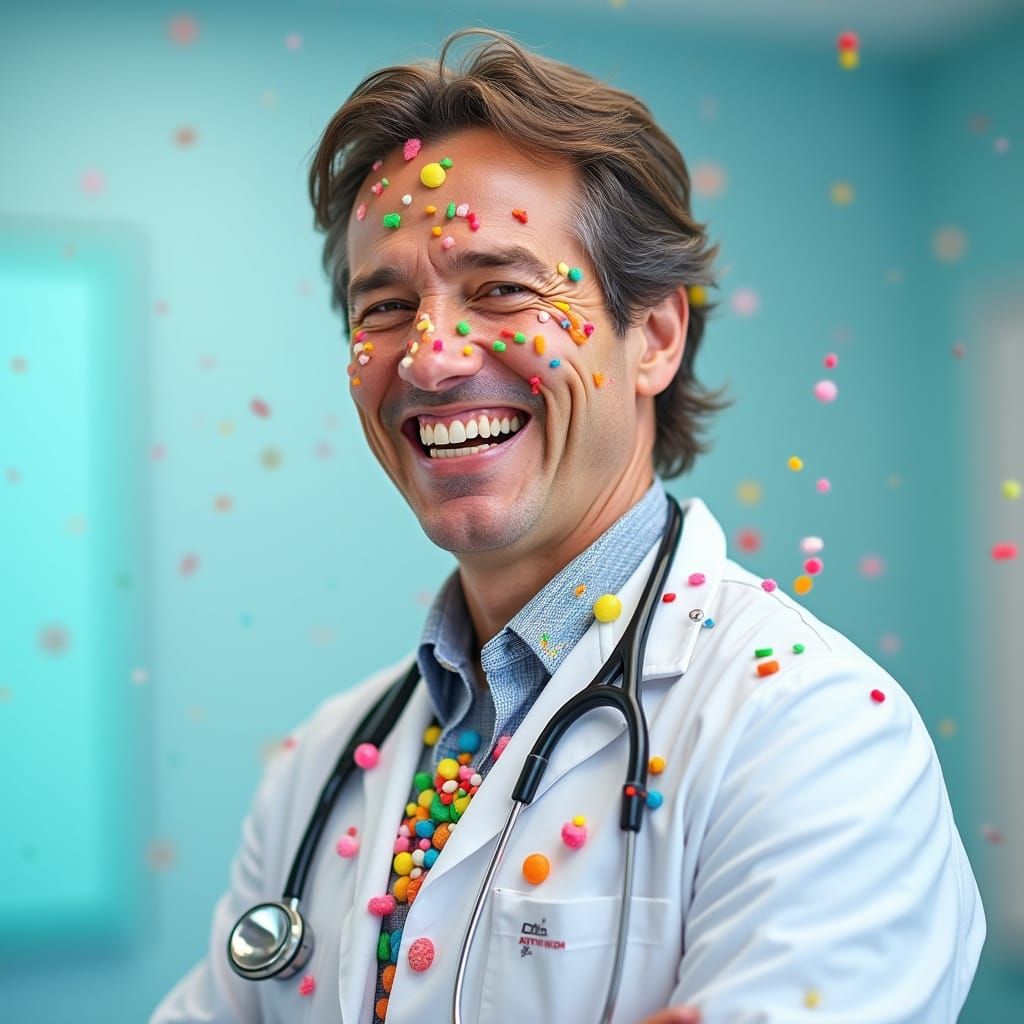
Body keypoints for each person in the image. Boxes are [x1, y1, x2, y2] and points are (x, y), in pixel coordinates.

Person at [150, 27, 985, 1024]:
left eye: (501, 288)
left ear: (656, 336)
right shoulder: (320, 767)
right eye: (385, 306)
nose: (430, 358)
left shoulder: (815, 735)